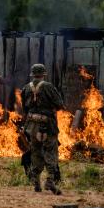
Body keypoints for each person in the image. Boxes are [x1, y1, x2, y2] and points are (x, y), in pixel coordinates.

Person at [21, 64, 65, 195]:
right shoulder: (48, 86)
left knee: (36, 152)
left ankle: (36, 181)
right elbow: (59, 104)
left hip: (32, 126)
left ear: (33, 74)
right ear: (43, 74)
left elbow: (25, 108)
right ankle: (50, 181)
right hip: (47, 125)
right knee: (50, 152)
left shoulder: (26, 88)